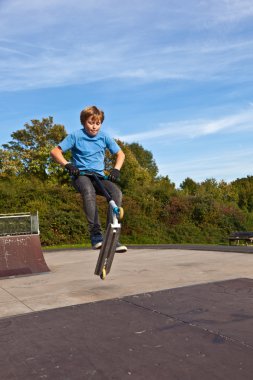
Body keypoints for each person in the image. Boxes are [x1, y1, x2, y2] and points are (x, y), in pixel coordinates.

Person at [50, 105, 127, 252]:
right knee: (88, 191)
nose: (94, 127)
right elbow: (55, 152)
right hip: (81, 175)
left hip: (98, 176)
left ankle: (112, 237)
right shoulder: (76, 136)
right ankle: (96, 235)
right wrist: (68, 165)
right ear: (84, 122)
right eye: (91, 123)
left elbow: (120, 154)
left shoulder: (104, 137)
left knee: (116, 192)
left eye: (98, 123)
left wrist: (116, 169)